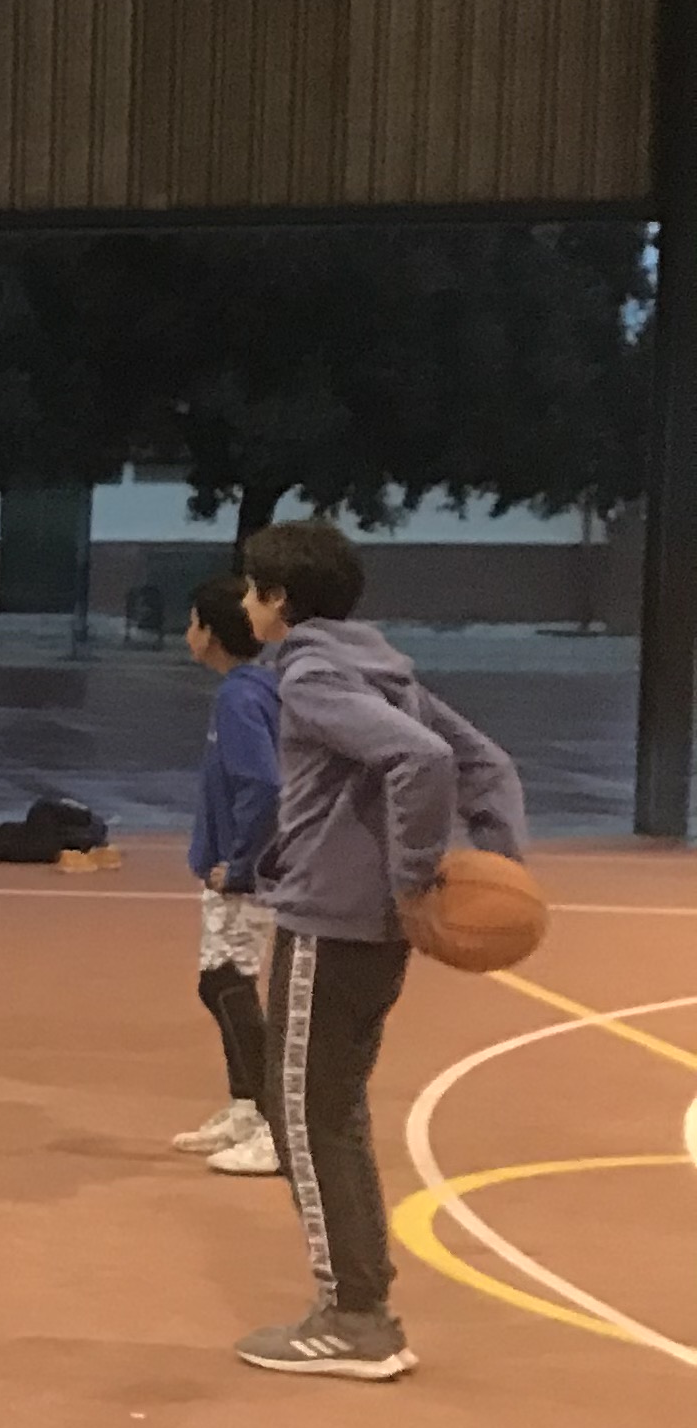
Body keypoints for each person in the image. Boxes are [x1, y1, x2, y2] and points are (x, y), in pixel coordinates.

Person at [231, 520, 527, 1382]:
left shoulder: (316, 673)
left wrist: (414, 877)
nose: (246, 604)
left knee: (305, 1116)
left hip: (333, 925)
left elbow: (425, 760)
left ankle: (355, 1316)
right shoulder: (383, 666)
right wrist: (499, 862)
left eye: (253, 590)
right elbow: (485, 761)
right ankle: (363, 1302)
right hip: (365, 930)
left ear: (279, 602)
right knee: (335, 1111)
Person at [173, 574, 284, 1179]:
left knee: (229, 984)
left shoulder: (243, 698)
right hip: (236, 868)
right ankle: (247, 1106)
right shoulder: (247, 689)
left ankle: (277, 1126)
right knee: (218, 983)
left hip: (247, 873)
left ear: (209, 632)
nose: (186, 633)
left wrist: (242, 863)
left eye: (192, 621)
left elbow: (264, 785)